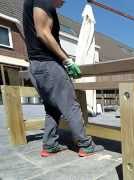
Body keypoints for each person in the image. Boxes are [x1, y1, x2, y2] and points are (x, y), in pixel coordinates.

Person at [23, 0, 103, 157]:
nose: (64, 3)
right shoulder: (43, 0)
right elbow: (43, 32)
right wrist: (66, 61)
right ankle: (85, 145)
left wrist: (67, 61)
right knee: (72, 106)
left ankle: (50, 144)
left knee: (52, 108)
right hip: (48, 65)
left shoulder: (32, 3)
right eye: (63, 0)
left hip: (35, 66)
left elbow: (48, 38)